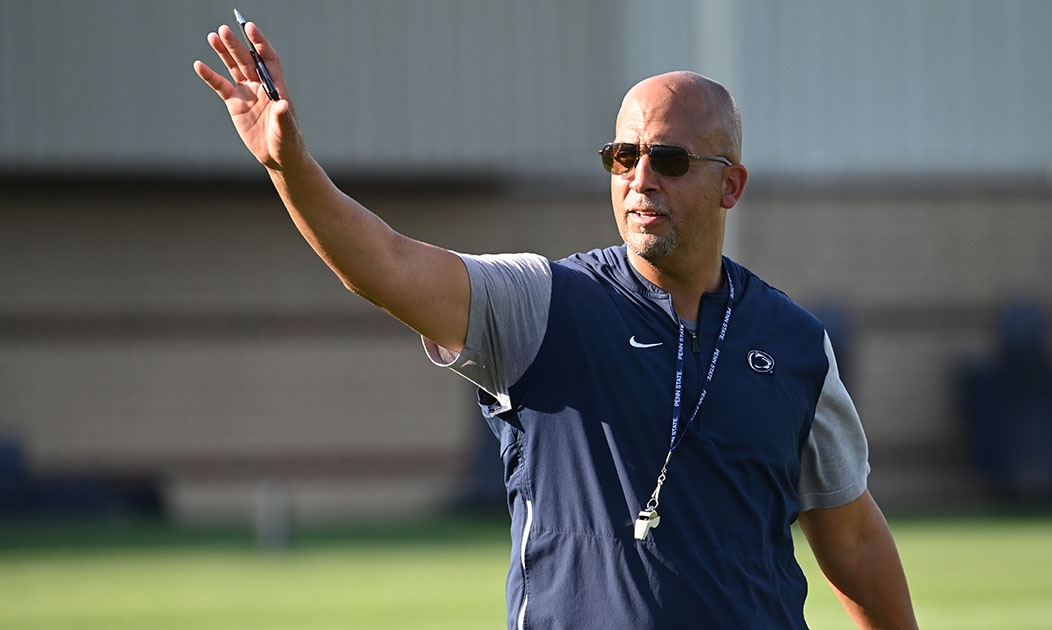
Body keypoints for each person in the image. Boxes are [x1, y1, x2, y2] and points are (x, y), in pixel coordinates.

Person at [195, 19, 918, 630]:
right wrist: (289, 167)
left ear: (731, 184)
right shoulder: (543, 302)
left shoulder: (792, 342)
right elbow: (381, 263)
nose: (640, 179)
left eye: (668, 159)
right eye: (622, 157)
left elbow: (850, 538)